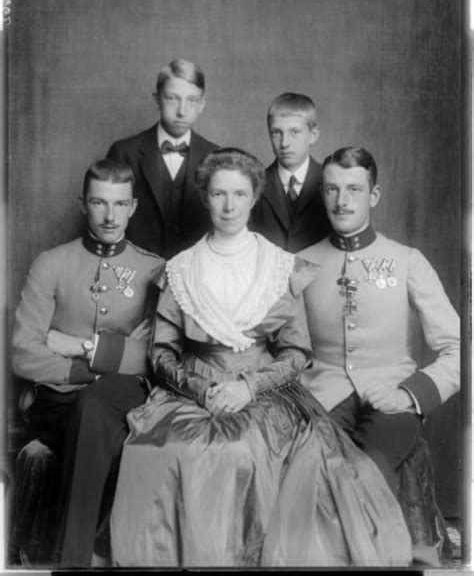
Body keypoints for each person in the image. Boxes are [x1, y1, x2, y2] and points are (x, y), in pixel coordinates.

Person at [109, 148, 412, 568]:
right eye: (218, 194)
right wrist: (202, 389)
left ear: (254, 197)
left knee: (237, 448)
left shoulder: (278, 267)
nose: (229, 205)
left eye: (239, 194)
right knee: (165, 449)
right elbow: (162, 353)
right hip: (191, 387)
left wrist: (246, 386)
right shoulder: (181, 270)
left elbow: (296, 351)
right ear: (205, 197)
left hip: (264, 390)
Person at [298, 146, 460, 564]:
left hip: (392, 395)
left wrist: (411, 396)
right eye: (332, 189)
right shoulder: (301, 264)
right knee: (310, 474)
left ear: (374, 195)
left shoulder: (408, 261)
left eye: (354, 189)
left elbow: (460, 348)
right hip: (322, 397)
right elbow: (288, 348)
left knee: (367, 474)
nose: (341, 200)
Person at [11, 159, 164, 567]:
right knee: (90, 411)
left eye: (119, 204)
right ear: (83, 204)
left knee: (99, 409)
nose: (110, 216)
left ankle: (72, 557)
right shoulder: (51, 263)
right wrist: (107, 360)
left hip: (122, 401)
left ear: (133, 207)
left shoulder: (154, 270)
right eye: (99, 202)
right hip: (58, 400)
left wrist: (75, 345)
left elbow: (151, 359)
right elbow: (24, 353)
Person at [107, 58, 219, 259]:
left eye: (192, 100)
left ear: (202, 104)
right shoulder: (124, 153)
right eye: (172, 98)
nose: (182, 111)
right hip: (134, 272)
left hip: (196, 276)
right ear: (156, 99)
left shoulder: (216, 157)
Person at [250, 92, 330, 252]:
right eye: (276, 133)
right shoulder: (254, 185)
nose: (285, 143)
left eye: (295, 132)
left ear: (313, 135)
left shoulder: (331, 183)